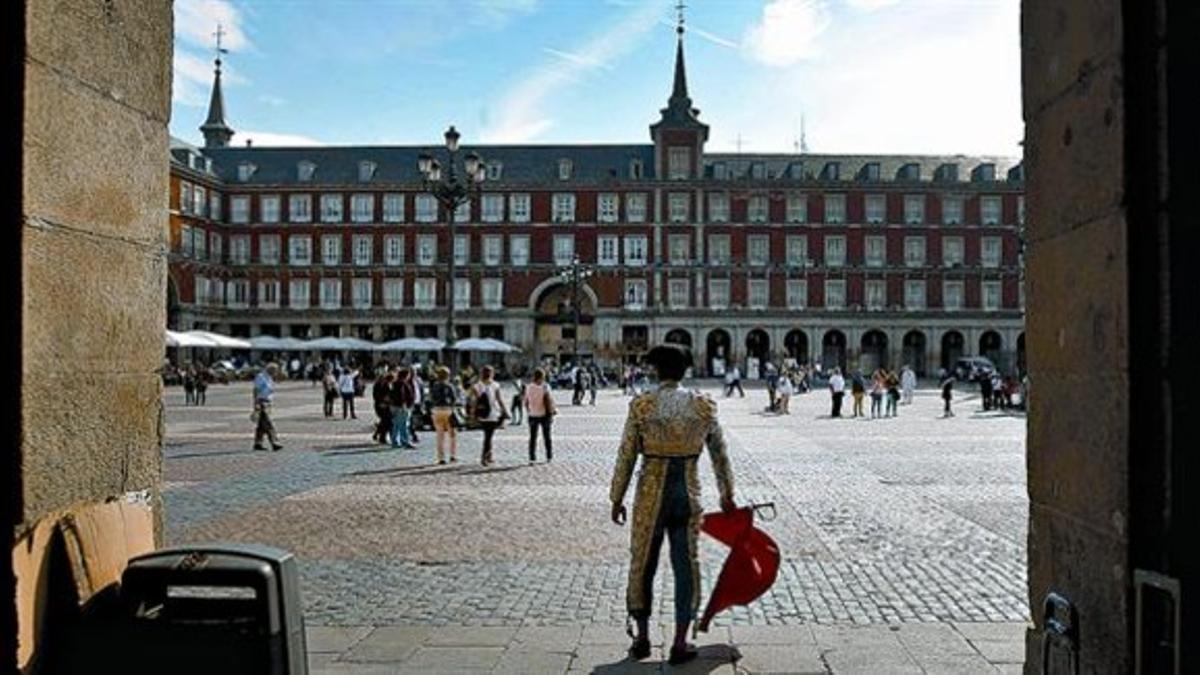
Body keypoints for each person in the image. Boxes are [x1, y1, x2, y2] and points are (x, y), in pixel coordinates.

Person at [609, 344, 736, 666]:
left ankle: (642, 637)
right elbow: (720, 455)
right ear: (685, 371)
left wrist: (617, 496)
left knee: (642, 563)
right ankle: (681, 640)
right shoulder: (703, 406)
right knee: (686, 565)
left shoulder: (642, 406)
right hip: (688, 493)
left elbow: (626, 454)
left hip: (651, 493)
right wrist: (727, 494)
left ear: (656, 371)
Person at [471, 365, 508, 466]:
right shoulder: (495, 385)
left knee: (488, 436)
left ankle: (489, 455)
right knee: (488, 436)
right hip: (493, 413)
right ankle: (484, 457)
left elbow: (474, 402)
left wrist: (473, 414)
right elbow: (499, 400)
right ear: (492, 374)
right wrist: (505, 411)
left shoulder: (477, 386)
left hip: (482, 413)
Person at [524, 368, 555, 463]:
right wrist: (552, 411)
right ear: (542, 377)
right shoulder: (545, 386)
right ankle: (549, 456)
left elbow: (525, 402)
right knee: (547, 436)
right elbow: (550, 401)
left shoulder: (529, 387)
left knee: (532, 438)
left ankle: (532, 457)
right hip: (544, 415)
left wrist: (529, 410)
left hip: (533, 415)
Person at [429, 366, 458, 464]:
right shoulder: (449, 386)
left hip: (437, 410)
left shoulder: (434, 386)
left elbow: (431, 398)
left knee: (439, 435)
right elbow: (454, 399)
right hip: (448, 410)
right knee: (452, 434)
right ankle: (453, 455)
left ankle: (441, 458)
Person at [252, 363, 284, 451]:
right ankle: (274, 442)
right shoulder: (261, 377)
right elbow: (256, 390)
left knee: (262, 425)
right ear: (270, 369)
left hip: (268, 402)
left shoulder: (269, 378)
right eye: (275, 371)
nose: (276, 373)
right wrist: (256, 403)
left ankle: (258, 443)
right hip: (261, 402)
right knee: (269, 423)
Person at [389, 368, 417, 450]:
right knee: (404, 424)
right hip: (401, 406)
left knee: (396, 424)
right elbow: (402, 395)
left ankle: (395, 441)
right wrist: (404, 404)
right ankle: (404, 441)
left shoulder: (396, 383)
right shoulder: (402, 383)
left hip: (396, 406)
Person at [372, 371, 394, 445]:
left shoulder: (386, 384)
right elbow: (376, 396)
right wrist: (382, 401)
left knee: (385, 421)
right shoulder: (379, 385)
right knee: (386, 421)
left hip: (385, 405)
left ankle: (378, 434)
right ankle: (382, 437)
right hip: (380, 405)